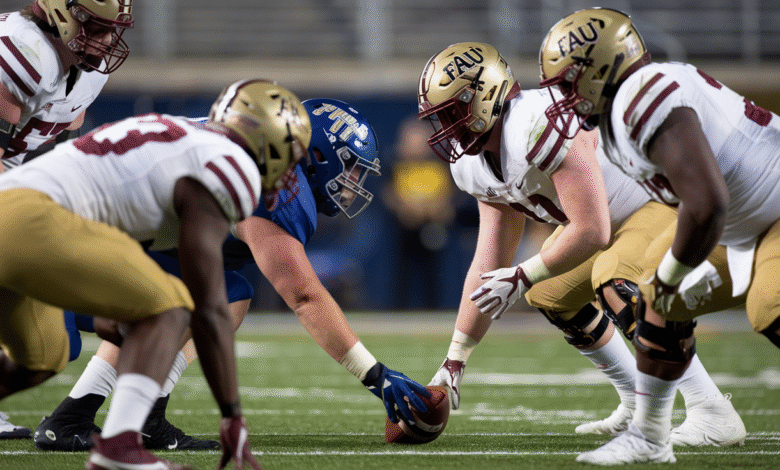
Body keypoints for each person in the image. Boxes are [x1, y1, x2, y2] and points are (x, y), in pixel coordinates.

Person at [31, 98, 433, 455]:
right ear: (318, 154)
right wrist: (375, 375)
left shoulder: (238, 144)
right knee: (61, 345)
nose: (353, 182)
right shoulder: (275, 179)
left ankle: (139, 415)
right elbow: (303, 296)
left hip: (85, 216)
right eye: (351, 168)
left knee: (227, 293)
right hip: (60, 230)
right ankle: (72, 417)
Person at [418, 42, 744, 447]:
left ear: (484, 97)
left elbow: (591, 231)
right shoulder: (473, 163)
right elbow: (489, 260)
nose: (445, 126)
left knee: (616, 280)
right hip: (612, 216)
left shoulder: (535, 124)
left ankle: (711, 409)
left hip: (659, 196)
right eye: (440, 116)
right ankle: (635, 401)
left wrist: (523, 274)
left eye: (452, 112)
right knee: (549, 292)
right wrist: (456, 357)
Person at [0, 78, 314, 470]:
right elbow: (209, 303)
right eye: (290, 156)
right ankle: (119, 447)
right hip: (36, 219)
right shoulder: (229, 164)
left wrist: (116, 303)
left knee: (42, 357)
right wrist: (232, 413)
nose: (289, 173)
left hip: (14, 210)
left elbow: (114, 203)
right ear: (270, 142)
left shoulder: (180, 135)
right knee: (171, 306)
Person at [539, 7, 780, 464]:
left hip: (765, 215)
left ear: (601, 70)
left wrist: (671, 276)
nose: (563, 96)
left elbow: (706, 202)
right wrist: (665, 283)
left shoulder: (643, 96)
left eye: (569, 82)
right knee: (654, 300)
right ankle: (651, 437)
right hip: (747, 225)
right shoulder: (619, 115)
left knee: (767, 303)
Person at [0, 0, 134, 437]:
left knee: (53, 347)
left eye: (112, 30)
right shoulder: (20, 52)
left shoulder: (87, 70)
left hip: (14, 183)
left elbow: (62, 144)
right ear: (62, 14)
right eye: (96, 28)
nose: (106, 42)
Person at [383, 115, 456, 309]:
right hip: (404, 227)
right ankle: (398, 310)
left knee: (432, 273)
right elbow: (387, 193)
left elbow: (449, 195)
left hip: (432, 226)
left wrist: (435, 208)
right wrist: (405, 208)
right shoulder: (394, 163)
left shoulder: (440, 163)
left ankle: (433, 309)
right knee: (401, 272)